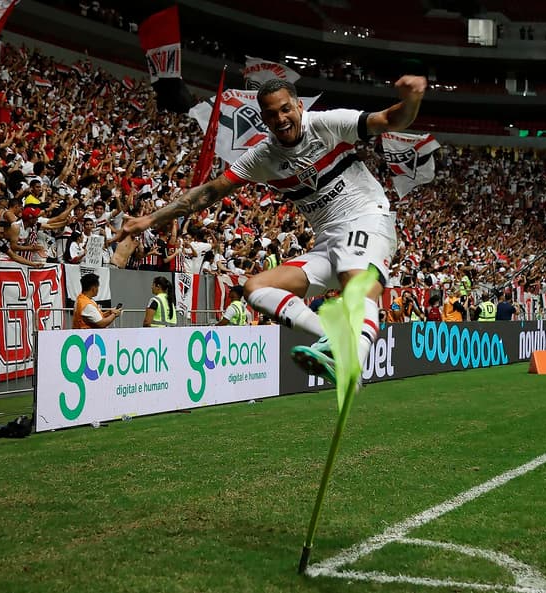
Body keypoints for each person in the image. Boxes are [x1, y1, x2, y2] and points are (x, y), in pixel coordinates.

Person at [121, 75, 426, 382]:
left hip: (367, 218)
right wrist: (150, 220)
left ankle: (354, 356)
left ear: (299, 106)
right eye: (271, 114)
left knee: (356, 280)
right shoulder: (263, 156)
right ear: (263, 118)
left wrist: (412, 99)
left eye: (285, 109)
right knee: (256, 288)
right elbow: (209, 192)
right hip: (327, 241)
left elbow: (390, 119)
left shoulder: (326, 124)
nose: (280, 118)